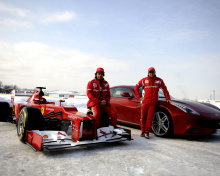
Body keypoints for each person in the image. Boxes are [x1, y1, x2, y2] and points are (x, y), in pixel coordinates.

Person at [135, 67, 171, 139]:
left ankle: (147, 132)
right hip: (145, 102)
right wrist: (139, 96)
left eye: (152, 72)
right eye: (150, 72)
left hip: (153, 103)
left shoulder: (159, 81)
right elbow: (136, 87)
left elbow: (165, 89)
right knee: (143, 117)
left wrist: (168, 98)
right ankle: (142, 130)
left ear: (155, 72)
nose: (151, 73)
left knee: (150, 118)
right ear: (148, 73)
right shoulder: (144, 80)